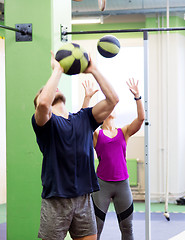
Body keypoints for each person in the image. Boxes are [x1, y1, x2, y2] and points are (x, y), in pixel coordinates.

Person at [32, 52, 119, 240]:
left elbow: (113, 100)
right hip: (56, 200)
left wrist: (94, 69)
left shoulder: (84, 118)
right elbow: (43, 105)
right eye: (44, 91)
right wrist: (58, 70)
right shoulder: (45, 123)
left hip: (84, 198)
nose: (51, 90)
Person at [82, 78, 145, 240]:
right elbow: (82, 124)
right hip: (102, 185)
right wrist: (87, 97)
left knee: (127, 228)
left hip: (122, 184)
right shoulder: (96, 134)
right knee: (96, 229)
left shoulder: (123, 131)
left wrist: (137, 97)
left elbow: (140, 119)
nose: (111, 110)